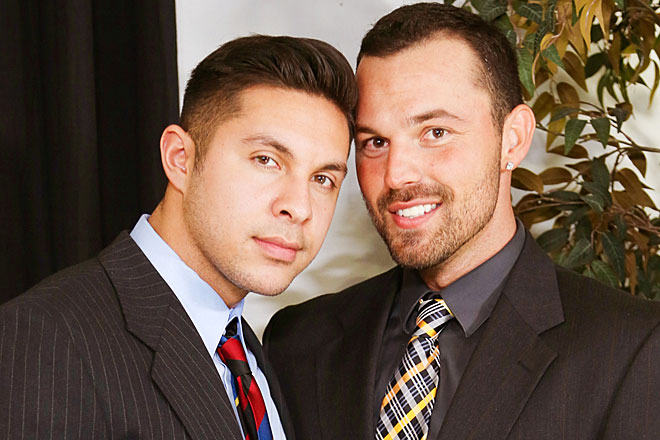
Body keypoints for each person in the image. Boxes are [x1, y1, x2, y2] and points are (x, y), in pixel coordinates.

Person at [263, 4, 660, 439]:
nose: (396, 175)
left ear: (513, 139)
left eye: (435, 132)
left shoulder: (631, 349)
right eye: (375, 142)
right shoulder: (298, 341)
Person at [0, 35, 357, 439]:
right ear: (180, 159)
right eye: (266, 160)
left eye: (323, 179)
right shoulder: (43, 340)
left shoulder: (259, 358)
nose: (299, 207)